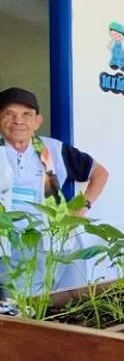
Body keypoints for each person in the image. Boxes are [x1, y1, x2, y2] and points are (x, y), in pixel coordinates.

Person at [0, 87, 109, 290]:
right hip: (14, 251)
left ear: (37, 121)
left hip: (62, 243)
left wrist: (81, 209)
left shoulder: (54, 149)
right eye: (9, 114)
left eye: (26, 115)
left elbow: (100, 173)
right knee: (25, 312)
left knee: (73, 305)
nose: (18, 121)